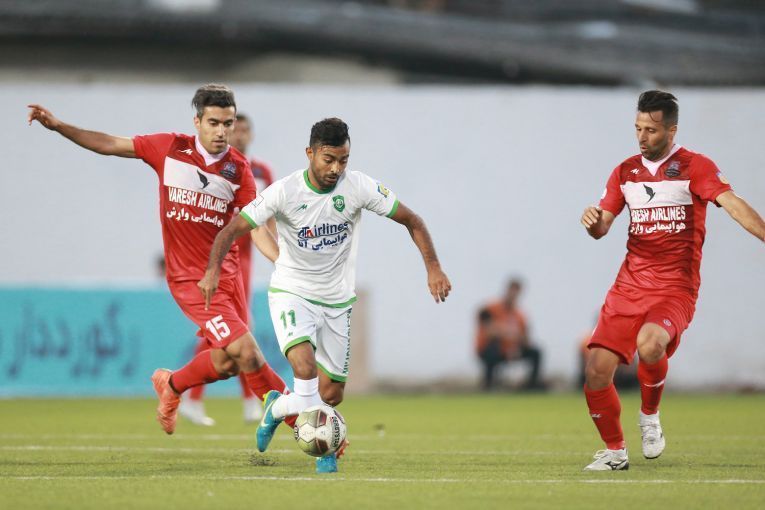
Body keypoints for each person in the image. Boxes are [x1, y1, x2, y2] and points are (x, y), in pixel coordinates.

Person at [27, 84, 296, 436]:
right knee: (247, 352)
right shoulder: (169, 149)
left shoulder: (239, 169)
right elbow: (109, 144)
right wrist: (60, 126)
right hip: (192, 280)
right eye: (214, 123)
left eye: (227, 124)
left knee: (227, 363)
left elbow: (256, 226)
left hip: (228, 278)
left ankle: (172, 384)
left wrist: (285, 264)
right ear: (197, 121)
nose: (221, 131)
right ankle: (302, 421)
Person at [198, 117, 452, 473]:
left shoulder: (359, 187)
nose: (336, 169)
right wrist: (212, 270)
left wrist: (433, 267)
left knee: (331, 393)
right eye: (328, 159)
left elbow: (413, 220)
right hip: (292, 292)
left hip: (337, 301)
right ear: (310, 153)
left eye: (343, 160)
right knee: (304, 369)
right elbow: (232, 229)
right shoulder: (285, 191)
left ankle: (276, 406)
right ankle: (324, 451)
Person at [579, 90, 765, 471]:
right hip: (628, 287)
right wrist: (592, 222)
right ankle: (615, 452)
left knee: (650, 345)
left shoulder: (695, 166)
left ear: (672, 130)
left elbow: (732, 203)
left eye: (651, 130)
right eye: (637, 128)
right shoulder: (625, 172)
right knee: (596, 371)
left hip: (675, 287)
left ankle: (650, 417)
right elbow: (602, 227)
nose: (642, 137)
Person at [178, 112, 277, 426]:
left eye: (246, 130)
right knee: (234, 328)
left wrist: (278, 255)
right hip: (219, 255)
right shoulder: (217, 169)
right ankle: (243, 402)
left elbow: (269, 215)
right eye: (237, 129)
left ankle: (197, 398)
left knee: (234, 329)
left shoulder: (260, 171)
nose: (240, 135)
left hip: (246, 256)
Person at [475, 278, 543, 391]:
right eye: (512, 291)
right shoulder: (490, 309)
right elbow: (489, 331)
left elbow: (525, 338)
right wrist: (509, 333)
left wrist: (517, 346)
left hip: (512, 350)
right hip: (491, 349)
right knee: (493, 349)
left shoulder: (520, 315)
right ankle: (488, 384)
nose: (513, 295)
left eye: (516, 293)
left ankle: (532, 384)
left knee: (536, 352)